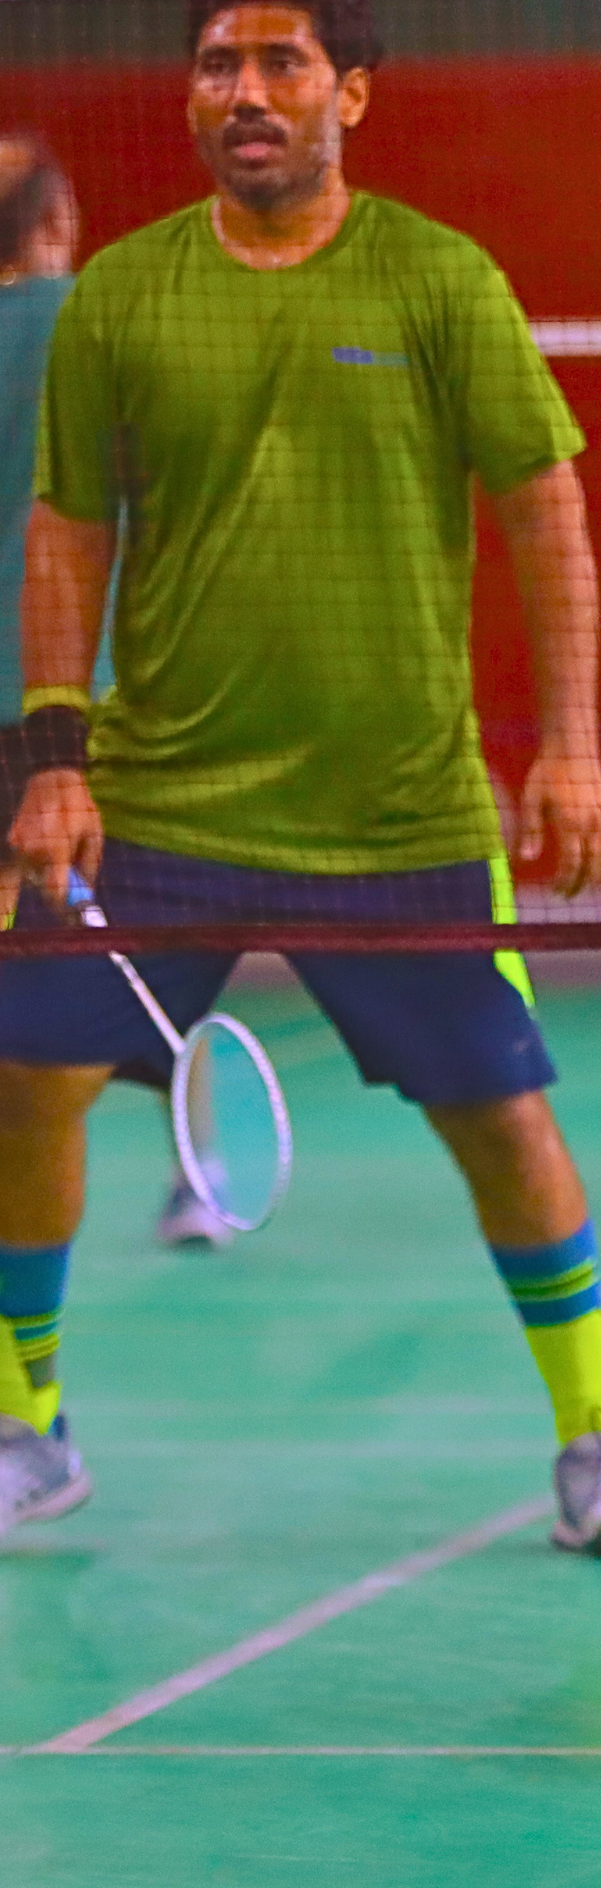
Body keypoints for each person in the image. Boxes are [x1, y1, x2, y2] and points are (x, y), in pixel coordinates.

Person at [0, 0, 601, 1562]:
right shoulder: (125, 293)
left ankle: (595, 1440)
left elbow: (545, 511)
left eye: (281, 63)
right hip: (163, 794)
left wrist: (571, 742)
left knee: (501, 1117)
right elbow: (66, 531)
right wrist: (55, 756)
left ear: (351, 95)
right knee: (23, 1076)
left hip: (396, 808)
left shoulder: (438, 277)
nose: (245, 91)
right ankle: (27, 1421)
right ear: (190, 101)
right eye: (218, 66)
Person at [0, 134, 228, 1253]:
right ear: (62, 219)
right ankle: (198, 1175)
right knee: (150, 944)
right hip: (101, 691)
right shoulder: (115, 318)